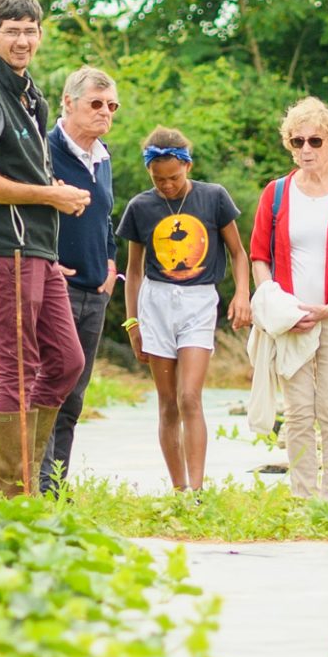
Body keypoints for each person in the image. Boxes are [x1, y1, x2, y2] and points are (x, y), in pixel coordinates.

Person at [0, 0, 90, 497]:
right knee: (17, 367)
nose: (22, 40)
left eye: (30, 31)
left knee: (67, 361)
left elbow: (23, 169)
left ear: (40, 35)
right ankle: (14, 495)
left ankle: (28, 478)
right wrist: (49, 196)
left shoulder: (27, 93)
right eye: (11, 31)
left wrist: (53, 196)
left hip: (37, 249)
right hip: (3, 247)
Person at [248, 98, 328, 499]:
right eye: (297, 141)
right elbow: (259, 257)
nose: (306, 149)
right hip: (291, 316)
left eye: (315, 141)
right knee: (299, 409)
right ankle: (303, 497)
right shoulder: (276, 192)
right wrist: (276, 306)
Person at [117, 127, 251, 491]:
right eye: (158, 179)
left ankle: (197, 489)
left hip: (199, 301)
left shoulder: (214, 197)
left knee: (190, 396)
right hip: (155, 304)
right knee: (168, 403)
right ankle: (178, 489)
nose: (167, 185)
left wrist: (242, 294)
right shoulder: (140, 207)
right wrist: (132, 323)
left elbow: (239, 253)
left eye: (174, 177)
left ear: (188, 166)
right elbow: (133, 271)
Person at [39, 66, 121, 495]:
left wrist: (110, 263)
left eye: (112, 106)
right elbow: (25, 211)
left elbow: (105, 217)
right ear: (68, 103)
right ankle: (36, 486)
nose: (105, 112)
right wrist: (48, 261)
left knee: (73, 397)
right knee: (50, 385)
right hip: (55, 285)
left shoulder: (103, 156)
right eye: (96, 103)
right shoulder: (44, 150)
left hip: (95, 290)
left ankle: (55, 487)